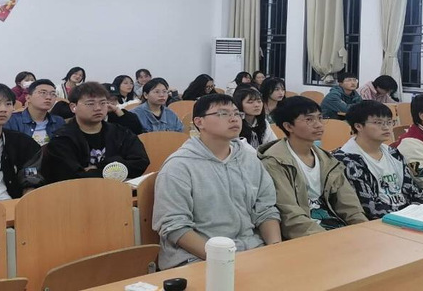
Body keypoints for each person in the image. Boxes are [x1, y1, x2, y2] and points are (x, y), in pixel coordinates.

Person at [153, 94, 281, 269]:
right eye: (223, 113)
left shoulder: (249, 160)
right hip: (197, 258)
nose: (234, 118)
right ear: (199, 122)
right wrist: (224, 259)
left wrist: (275, 249)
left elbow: (266, 209)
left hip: (250, 250)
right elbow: (174, 226)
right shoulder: (179, 166)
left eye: (237, 113)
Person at [258, 96, 367, 238]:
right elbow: (290, 215)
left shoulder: (327, 160)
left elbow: (350, 205)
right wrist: (329, 239)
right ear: (288, 126)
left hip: (335, 228)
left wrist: (365, 229)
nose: (318, 125)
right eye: (309, 119)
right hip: (306, 234)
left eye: (320, 118)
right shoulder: (274, 162)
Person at [333, 101, 423, 220]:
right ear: (358, 126)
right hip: (381, 221)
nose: (386, 127)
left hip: (410, 216)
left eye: (389, 122)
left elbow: (415, 192)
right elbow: (368, 207)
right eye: (378, 123)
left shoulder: (394, 153)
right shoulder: (346, 160)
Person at [42, 82, 149, 183]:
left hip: (119, 190)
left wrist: (100, 167)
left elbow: (141, 162)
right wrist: (117, 168)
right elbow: (71, 176)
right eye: (90, 104)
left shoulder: (121, 132)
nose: (98, 108)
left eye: (103, 103)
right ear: (73, 107)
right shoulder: (62, 139)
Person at [4, 79, 66, 146]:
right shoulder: (12, 121)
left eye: (53, 94)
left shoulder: (59, 121)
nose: (49, 97)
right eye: (43, 93)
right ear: (28, 98)